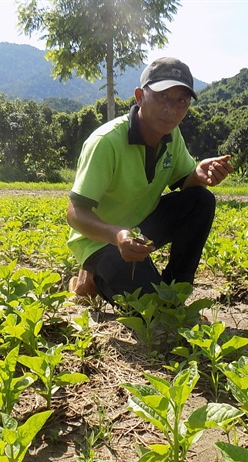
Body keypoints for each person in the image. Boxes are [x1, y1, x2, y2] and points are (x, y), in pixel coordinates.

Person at [66, 57, 233, 305]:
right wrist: (116, 235)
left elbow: (185, 182)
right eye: (163, 97)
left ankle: (176, 290)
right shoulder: (106, 142)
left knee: (201, 200)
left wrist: (198, 175)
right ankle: (91, 275)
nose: (172, 109)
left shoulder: (171, 135)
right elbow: (75, 213)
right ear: (140, 96)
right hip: (101, 239)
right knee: (149, 308)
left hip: (139, 230)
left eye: (181, 101)